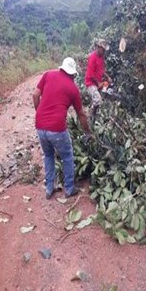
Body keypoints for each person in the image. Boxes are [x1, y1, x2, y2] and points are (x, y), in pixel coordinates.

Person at [33, 57, 92, 200]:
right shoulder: (73, 88)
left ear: (61, 68)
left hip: (40, 126)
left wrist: (39, 113)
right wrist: (88, 132)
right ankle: (69, 188)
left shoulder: (48, 74)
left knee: (48, 155)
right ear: (73, 74)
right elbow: (81, 114)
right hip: (57, 129)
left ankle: (49, 188)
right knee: (67, 156)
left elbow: (35, 94)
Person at [84, 40, 112, 127]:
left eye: (104, 51)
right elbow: (90, 74)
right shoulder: (92, 57)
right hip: (91, 84)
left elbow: (101, 70)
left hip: (97, 84)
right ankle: (92, 119)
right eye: (103, 50)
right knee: (98, 100)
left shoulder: (101, 58)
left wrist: (107, 77)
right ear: (98, 48)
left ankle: (96, 116)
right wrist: (98, 83)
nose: (104, 52)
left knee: (107, 94)